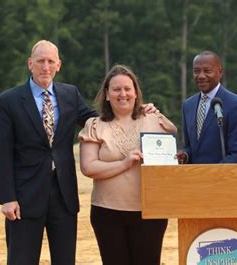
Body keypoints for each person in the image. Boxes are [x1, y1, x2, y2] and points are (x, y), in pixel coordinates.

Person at [0, 40, 157, 265]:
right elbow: (1, 153)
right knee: (22, 260)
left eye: (51, 61)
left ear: (59, 65)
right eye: (40, 61)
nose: (45, 67)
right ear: (30, 64)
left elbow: (97, 120)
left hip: (63, 196)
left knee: (65, 260)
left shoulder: (69, 94)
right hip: (24, 196)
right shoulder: (8, 100)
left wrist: (137, 109)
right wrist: (7, 198)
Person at [78, 64, 177, 265]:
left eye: (127, 88)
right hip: (107, 213)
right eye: (116, 89)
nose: (122, 94)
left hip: (150, 212)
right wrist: (124, 163)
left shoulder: (154, 119)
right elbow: (88, 167)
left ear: (135, 92)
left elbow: (173, 150)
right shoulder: (94, 125)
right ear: (107, 94)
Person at [177, 50, 237, 164]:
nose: (201, 76)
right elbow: (190, 147)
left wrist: (215, 173)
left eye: (207, 71)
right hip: (193, 178)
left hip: (223, 178)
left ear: (220, 72)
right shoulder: (188, 105)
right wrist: (185, 155)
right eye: (196, 71)